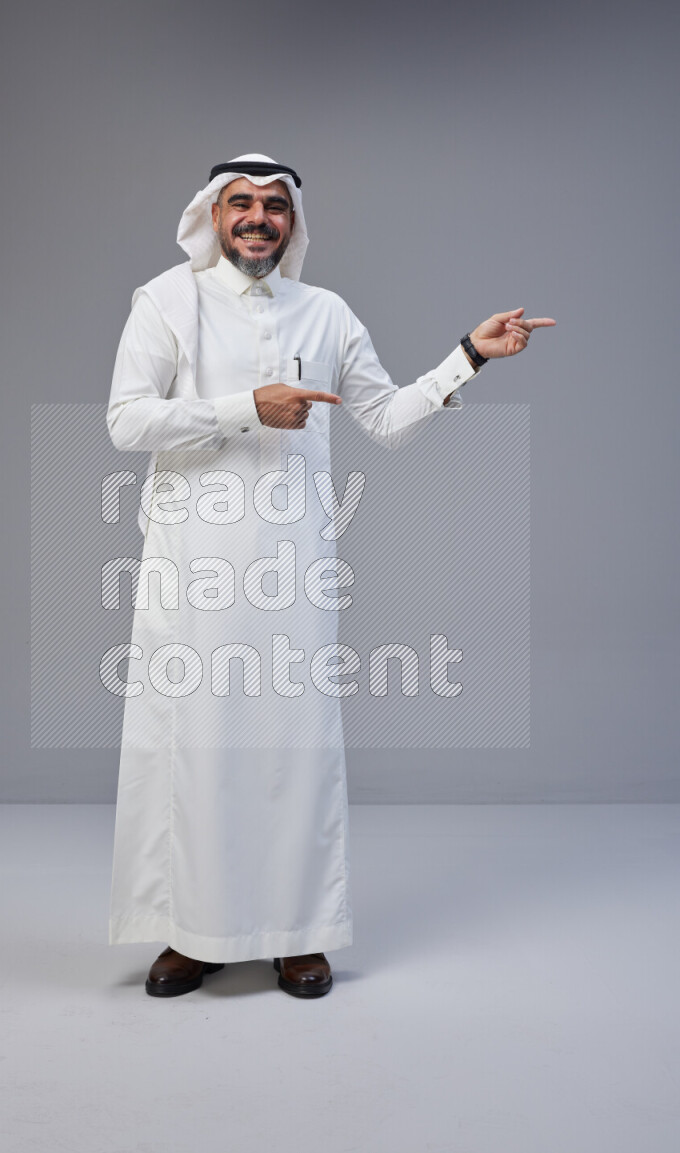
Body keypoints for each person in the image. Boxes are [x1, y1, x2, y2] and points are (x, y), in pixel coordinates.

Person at [105, 154, 555, 999]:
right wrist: (248, 408)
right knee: (196, 750)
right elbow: (126, 419)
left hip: (294, 571)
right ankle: (191, 934)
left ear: (294, 223)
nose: (257, 219)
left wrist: (469, 357)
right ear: (212, 214)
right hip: (191, 570)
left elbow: (383, 418)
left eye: (275, 207)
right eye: (241, 204)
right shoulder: (166, 301)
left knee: (292, 748)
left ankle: (297, 932)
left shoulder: (327, 313)